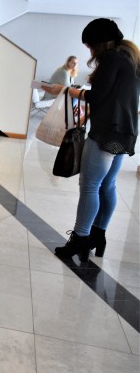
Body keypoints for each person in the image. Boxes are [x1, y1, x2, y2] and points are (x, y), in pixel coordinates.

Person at [43, 19, 139, 262]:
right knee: (108, 185)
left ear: (98, 42)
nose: (89, 51)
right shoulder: (130, 57)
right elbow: (115, 97)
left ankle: (81, 237)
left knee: (89, 186)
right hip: (125, 132)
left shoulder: (112, 58)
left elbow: (96, 96)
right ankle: (99, 234)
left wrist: (63, 90)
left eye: (89, 46)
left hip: (106, 132)